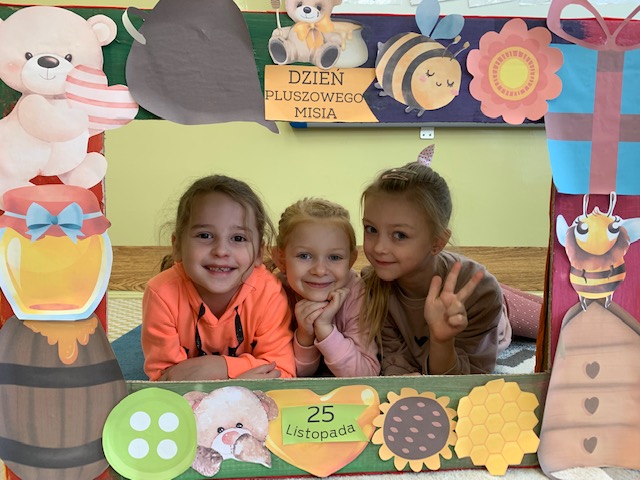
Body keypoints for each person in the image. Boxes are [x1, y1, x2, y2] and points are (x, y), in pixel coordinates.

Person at [361, 161, 542, 376]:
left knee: (562, 322)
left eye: (400, 235)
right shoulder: (370, 288)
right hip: (459, 278)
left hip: (490, 301)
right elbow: (395, 363)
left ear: (438, 242)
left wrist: (442, 341)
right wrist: (435, 347)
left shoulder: (482, 294)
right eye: (371, 229)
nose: (379, 248)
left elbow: (468, 378)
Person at [142, 175, 295, 381]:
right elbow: (165, 380)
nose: (221, 251)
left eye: (238, 238)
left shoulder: (268, 293)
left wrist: (218, 367)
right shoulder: (161, 293)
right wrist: (245, 375)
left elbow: (282, 372)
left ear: (259, 252)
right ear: (177, 246)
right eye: (205, 235)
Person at [271, 198, 380, 377]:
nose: (320, 271)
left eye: (335, 257)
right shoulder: (274, 294)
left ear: (351, 261)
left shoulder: (356, 294)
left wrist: (325, 330)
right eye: (304, 256)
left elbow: (366, 374)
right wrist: (305, 336)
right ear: (281, 259)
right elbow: (287, 374)